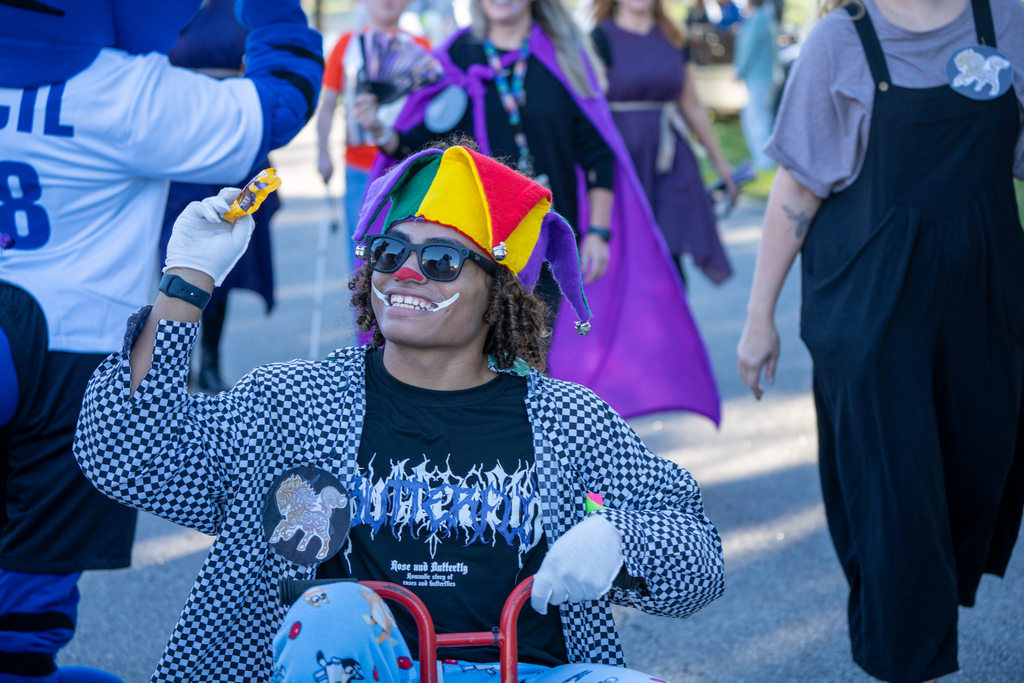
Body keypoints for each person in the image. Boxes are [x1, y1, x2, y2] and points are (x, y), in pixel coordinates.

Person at [74, 144, 726, 683]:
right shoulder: (293, 404)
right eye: (390, 252)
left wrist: (623, 540)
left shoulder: (571, 421)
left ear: (500, 293)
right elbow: (131, 455)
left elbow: (698, 563)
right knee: (334, 611)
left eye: (440, 260)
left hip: (527, 671)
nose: (406, 273)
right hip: (350, 665)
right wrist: (185, 284)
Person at [0, 0, 322, 679]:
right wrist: (273, 12)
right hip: (74, 349)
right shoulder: (128, 92)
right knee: (36, 566)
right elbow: (282, 102)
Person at [736, 0, 1024, 681]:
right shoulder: (841, 40)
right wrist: (759, 317)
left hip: (985, 300)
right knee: (895, 495)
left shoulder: (1008, 20)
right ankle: (905, 651)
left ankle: (917, 595)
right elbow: (798, 186)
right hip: (873, 306)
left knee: (981, 461)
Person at [356, 0, 721, 422]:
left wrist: (599, 233)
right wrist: (380, 129)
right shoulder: (457, 57)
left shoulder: (565, 55)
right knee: (467, 355)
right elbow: (421, 148)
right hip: (468, 247)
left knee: (528, 353)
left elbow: (598, 151)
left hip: (540, 242)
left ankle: (523, 460)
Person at [159, 0, 282, 394]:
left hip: (229, 133)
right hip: (177, 138)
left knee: (218, 250)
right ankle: (171, 363)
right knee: (169, 254)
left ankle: (209, 360)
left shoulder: (243, 7)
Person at [590, 0, 735, 285]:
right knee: (630, 252)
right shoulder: (599, 39)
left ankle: (674, 324)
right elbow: (591, 108)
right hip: (623, 160)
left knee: (670, 253)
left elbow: (691, 104)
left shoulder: (674, 36)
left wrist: (721, 163)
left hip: (671, 160)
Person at [316, 0, 431, 237]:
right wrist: (322, 153)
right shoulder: (346, 45)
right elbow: (327, 106)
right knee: (361, 247)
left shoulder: (421, 46)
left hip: (407, 167)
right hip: (359, 167)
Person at [733, 0, 779, 170]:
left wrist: (738, 71)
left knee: (756, 118)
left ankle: (764, 161)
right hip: (766, 75)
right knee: (763, 116)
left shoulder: (758, 19)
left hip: (759, 76)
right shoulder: (767, 17)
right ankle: (765, 159)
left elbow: (747, 48)